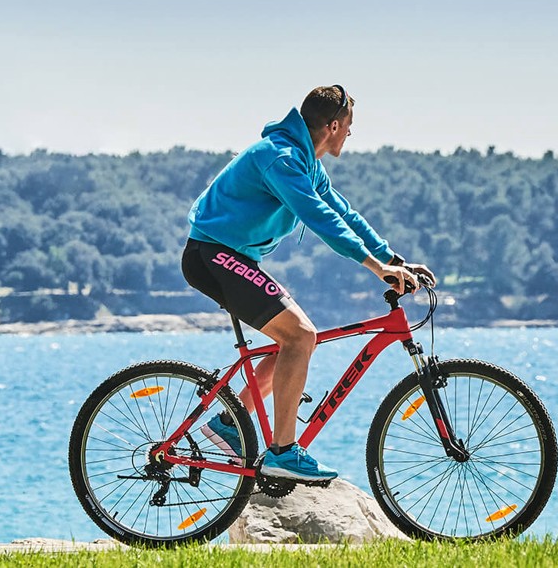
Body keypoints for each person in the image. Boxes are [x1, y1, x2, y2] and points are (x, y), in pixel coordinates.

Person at [181, 85, 435, 482]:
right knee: (301, 336)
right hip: (212, 256)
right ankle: (282, 451)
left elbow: (342, 211)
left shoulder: (305, 161)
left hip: (232, 257)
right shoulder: (280, 158)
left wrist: (391, 259)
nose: (350, 135)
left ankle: (230, 425)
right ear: (333, 126)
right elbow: (319, 217)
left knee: (293, 339)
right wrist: (374, 267)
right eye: (349, 126)